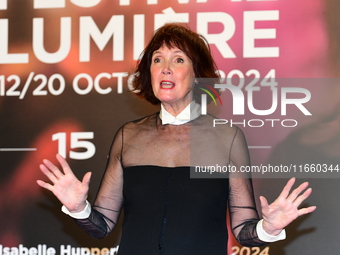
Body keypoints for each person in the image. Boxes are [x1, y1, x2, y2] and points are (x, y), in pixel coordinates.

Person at [37, 23, 316, 255]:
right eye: (157, 59)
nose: (165, 68)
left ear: (198, 75)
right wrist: (79, 208)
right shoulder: (129, 135)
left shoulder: (226, 138)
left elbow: (244, 231)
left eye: (178, 59)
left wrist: (270, 227)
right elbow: (103, 226)